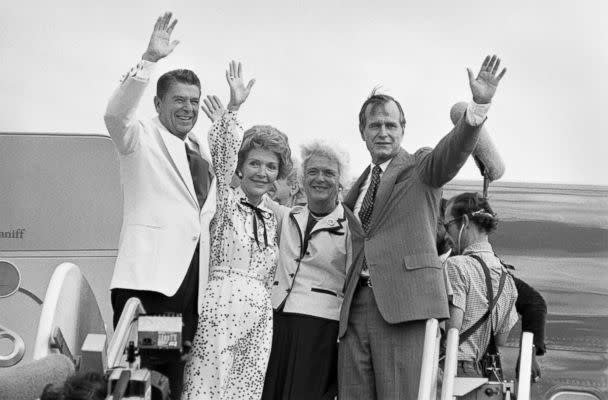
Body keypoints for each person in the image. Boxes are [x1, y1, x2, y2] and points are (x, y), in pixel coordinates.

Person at [338, 55, 507, 399]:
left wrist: (477, 106)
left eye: (391, 125)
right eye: (375, 125)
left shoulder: (420, 168)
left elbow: (451, 151)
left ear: (403, 129)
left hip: (404, 306)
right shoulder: (356, 186)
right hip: (355, 308)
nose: (383, 131)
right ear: (363, 133)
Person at [104, 13, 215, 398]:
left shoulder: (198, 151)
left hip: (185, 292)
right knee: (137, 382)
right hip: (150, 288)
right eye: (179, 100)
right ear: (158, 101)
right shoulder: (139, 137)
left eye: (194, 101)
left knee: (166, 382)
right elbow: (115, 114)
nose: (188, 108)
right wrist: (149, 59)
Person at [182, 62, 292, 400]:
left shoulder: (271, 217)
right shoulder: (226, 199)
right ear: (241, 169)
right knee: (207, 386)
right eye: (255, 164)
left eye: (271, 166)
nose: (263, 172)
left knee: (247, 390)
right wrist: (233, 109)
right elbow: (224, 155)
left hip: (259, 311)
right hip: (221, 303)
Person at [261, 141, 353, 400]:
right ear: (301, 180)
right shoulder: (286, 216)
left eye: (328, 173)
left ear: (340, 182)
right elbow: (243, 185)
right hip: (277, 323)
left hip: (321, 329)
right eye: (313, 172)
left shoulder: (351, 228)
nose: (320, 179)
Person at [443, 192, 519, 395]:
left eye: (447, 225)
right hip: (479, 377)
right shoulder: (507, 277)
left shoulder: (457, 266)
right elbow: (501, 339)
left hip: (452, 374)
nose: (446, 235)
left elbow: (453, 327)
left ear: (465, 221)